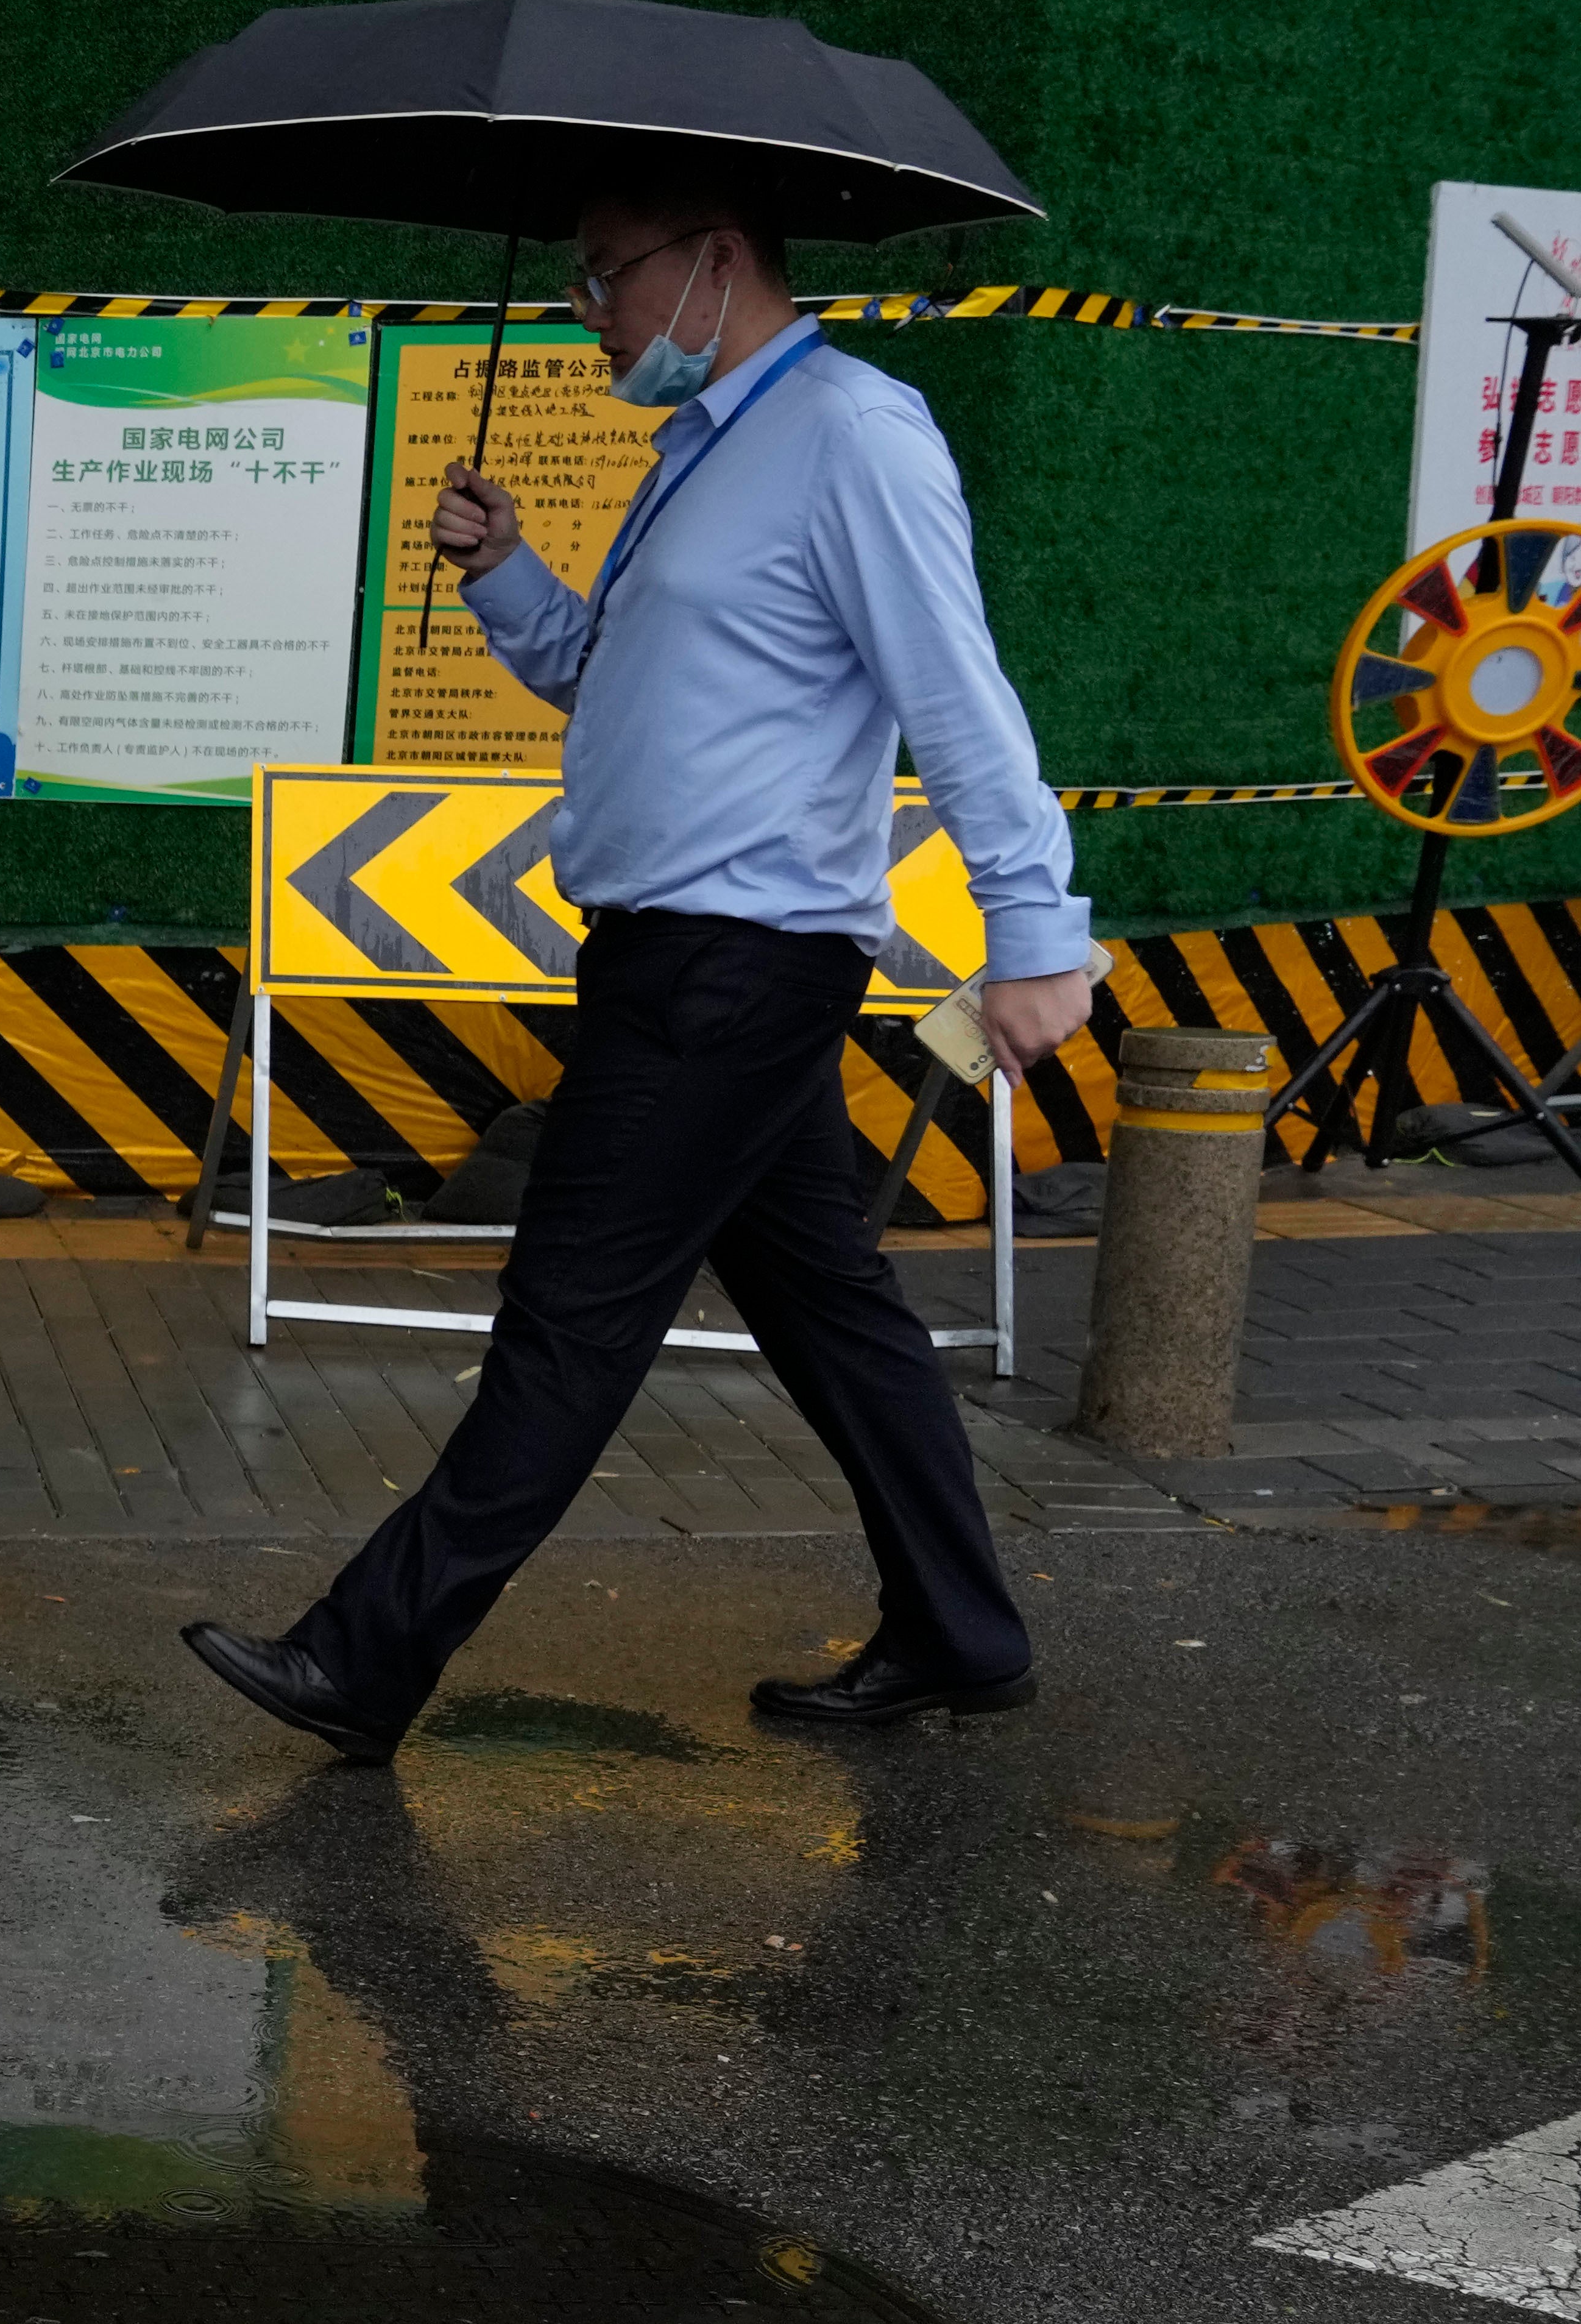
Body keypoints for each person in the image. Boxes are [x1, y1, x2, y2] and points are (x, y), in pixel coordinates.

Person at [180, 182, 1100, 1767]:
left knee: (568, 1323)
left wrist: (1035, 933)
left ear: (717, 263)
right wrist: (506, 573)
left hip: (728, 968)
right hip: (688, 959)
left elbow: (960, 697)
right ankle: (963, 1630)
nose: (588, 307)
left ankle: (366, 1656)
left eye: (608, 274)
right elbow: (603, 677)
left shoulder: (852, 434)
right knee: (834, 1312)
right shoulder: (702, 453)